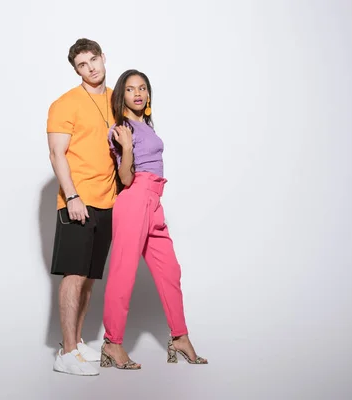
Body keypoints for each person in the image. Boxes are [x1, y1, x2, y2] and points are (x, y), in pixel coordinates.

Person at [100, 70, 208, 369]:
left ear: (148, 95)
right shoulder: (122, 130)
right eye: (131, 89)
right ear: (121, 95)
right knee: (124, 272)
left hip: (154, 201)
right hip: (135, 198)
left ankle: (180, 337)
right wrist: (126, 148)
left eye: (143, 88)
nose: (138, 93)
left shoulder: (144, 126)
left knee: (170, 270)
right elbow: (125, 178)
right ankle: (112, 343)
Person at [46, 38, 117, 376]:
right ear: (76, 71)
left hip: (108, 201)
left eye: (93, 61)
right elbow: (57, 153)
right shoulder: (65, 103)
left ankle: (75, 342)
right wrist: (72, 196)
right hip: (78, 201)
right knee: (74, 276)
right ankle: (67, 352)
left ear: (103, 58)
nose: (91, 69)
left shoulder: (116, 100)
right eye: (82, 66)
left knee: (89, 278)